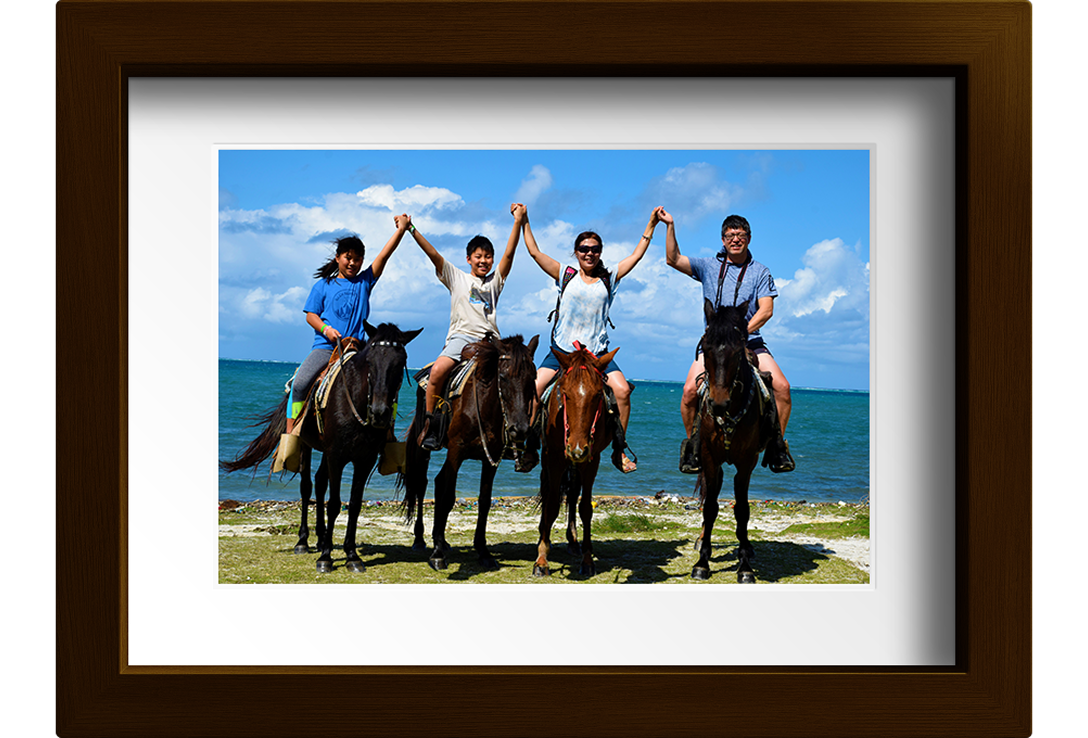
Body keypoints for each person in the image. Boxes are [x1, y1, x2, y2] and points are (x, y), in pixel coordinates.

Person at [521, 204, 662, 473]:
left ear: (600, 253)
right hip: (562, 354)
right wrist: (525, 220)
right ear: (576, 252)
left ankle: (619, 449)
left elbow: (637, 255)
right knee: (535, 389)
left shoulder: (609, 278)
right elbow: (535, 253)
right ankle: (529, 447)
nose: (589, 253)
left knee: (621, 391)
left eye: (595, 249)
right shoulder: (566, 275)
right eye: (584, 249)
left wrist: (651, 224)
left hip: (597, 356)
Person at [662, 209, 795, 473]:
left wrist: (742, 332)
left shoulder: (760, 272)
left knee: (782, 388)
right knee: (689, 392)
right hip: (714, 345)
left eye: (741, 235)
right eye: (730, 235)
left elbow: (766, 310)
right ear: (723, 240)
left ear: (749, 238)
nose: (735, 239)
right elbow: (672, 259)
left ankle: (776, 445)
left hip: (749, 341)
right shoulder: (708, 267)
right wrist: (670, 225)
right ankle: (693, 446)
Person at [274, 216, 411, 472]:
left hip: (357, 351)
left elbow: (385, 255)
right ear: (338, 258)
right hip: (326, 349)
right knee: (301, 383)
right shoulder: (322, 285)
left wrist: (401, 231)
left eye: (358, 258)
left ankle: (389, 441)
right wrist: (326, 330)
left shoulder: (365, 282)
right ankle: (290, 439)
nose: (353, 262)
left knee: (386, 386)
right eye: (348, 257)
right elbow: (311, 315)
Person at [412, 204, 526, 451]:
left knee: (519, 375)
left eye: (488, 257)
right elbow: (433, 254)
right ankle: (432, 424)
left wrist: (518, 221)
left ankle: (519, 436)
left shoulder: (495, 281)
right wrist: (412, 229)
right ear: (469, 259)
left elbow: (510, 254)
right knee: (438, 371)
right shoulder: (457, 277)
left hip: (491, 342)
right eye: (478, 256)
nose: (484, 261)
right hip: (461, 338)